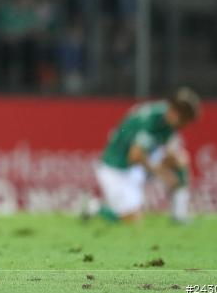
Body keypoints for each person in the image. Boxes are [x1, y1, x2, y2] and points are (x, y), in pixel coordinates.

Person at [84, 87, 201, 223]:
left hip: (136, 167)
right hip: (116, 169)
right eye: (185, 120)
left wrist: (168, 167)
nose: (185, 125)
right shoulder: (151, 120)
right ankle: (95, 208)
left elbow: (167, 149)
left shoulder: (168, 118)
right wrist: (162, 173)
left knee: (179, 159)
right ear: (176, 113)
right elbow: (135, 156)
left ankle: (179, 215)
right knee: (132, 219)